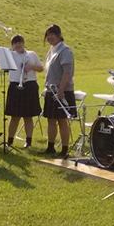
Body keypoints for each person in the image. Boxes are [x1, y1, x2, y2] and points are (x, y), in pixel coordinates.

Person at [0, 34, 43, 147]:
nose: (18, 44)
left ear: (23, 43)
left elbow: (41, 68)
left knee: (28, 116)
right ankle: (9, 141)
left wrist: (31, 67)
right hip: (15, 86)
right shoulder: (10, 55)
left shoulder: (32, 54)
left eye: (20, 42)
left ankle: (28, 141)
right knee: (14, 116)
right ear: (12, 46)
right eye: (15, 43)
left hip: (30, 85)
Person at [42, 24, 76, 158]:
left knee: (62, 121)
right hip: (51, 90)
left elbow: (67, 73)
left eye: (52, 34)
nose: (49, 37)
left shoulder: (65, 51)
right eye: (48, 35)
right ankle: (50, 147)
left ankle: (64, 149)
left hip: (63, 91)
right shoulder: (51, 51)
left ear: (59, 35)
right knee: (51, 119)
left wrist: (61, 90)